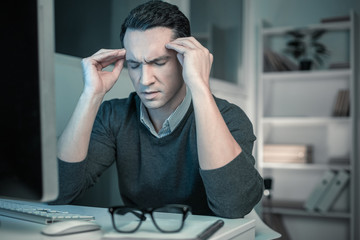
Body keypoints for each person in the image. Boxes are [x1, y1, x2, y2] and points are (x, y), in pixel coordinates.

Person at [54, 0, 263, 218]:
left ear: (185, 60)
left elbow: (234, 206)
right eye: (134, 65)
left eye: (159, 62)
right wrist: (91, 95)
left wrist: (200, 85)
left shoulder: (230, 118)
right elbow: (60, 193)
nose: (145, 80)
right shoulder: (113, 116)